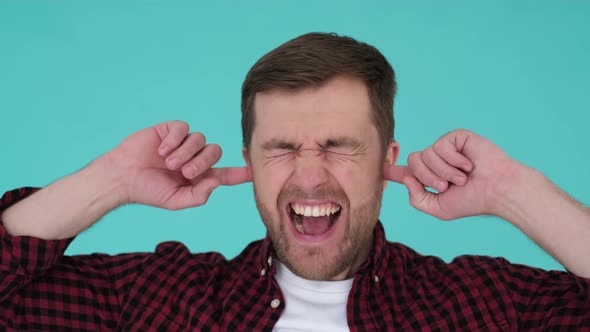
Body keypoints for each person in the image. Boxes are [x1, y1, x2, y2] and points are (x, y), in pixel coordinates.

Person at [0, 32, 588, 331]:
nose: (308, 176)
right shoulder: (164, 297)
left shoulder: (479, 307)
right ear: (250, 163)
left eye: (338, 147)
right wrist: (110, 181)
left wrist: (515, 191)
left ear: (387, 159)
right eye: (280, 149)